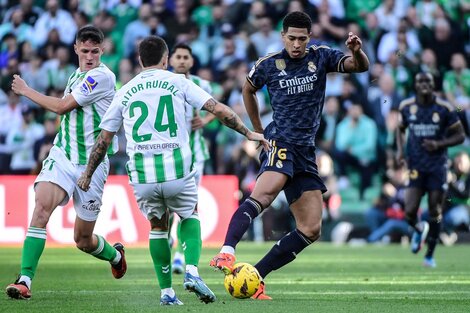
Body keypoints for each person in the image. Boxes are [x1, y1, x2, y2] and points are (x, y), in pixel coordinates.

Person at [76, 35, 269, 305]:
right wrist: (248, 132)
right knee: (190, 214)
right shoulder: (179, 81)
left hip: (142, 175)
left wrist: (87, 174)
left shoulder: (125, 91)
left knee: (158, 227)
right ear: (166, 59)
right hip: (176, 170)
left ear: (140, 60)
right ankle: (191, 271)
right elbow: (219, 110)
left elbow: (103, 140)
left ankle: (166, 292)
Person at [209, 11, 369, 299]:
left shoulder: (321, 56)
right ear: (283, 36)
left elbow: (359, 68)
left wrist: (357, 52)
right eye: (292, 38)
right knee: (264, 196)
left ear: (309, 38)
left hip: (306, 151)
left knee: (311, 229)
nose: (297, 44)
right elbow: (248, 89)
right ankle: (226, 252)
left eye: (302, 39)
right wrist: (259, 131)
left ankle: (256, 276)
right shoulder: (268, 65)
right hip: (280, 141)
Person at [6, 25, 127, 300]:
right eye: (84, 51)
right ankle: (25, 279)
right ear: (75, 49)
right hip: (63, 155)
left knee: (83, 240)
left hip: (91, 165)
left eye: (95, 51)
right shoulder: (76, 74)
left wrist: (26, 90)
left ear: (103, 50)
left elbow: (62, 107)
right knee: (40, 210)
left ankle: (115, 256)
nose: (90, 56)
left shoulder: (102, 77)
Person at [396, 72, 466, 268]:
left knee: (435, 209)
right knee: (409, 211)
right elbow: (400, 128)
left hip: (437, 166)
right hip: (416, 165)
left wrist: (439, 143)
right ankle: (419, 229)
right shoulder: (406, 107)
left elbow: (460, 136)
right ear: (415, 86)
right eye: (420, 81)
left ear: (433, 85)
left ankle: (429, 255)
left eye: (428, 81)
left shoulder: (444, 108)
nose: (424, 84)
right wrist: (401, 152)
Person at [168, 42, 216, 274]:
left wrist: (205, 121)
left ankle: (179, 254)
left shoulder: (202, 84)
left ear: (191, 61)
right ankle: (168, 239)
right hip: (169, 154)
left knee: (189, 206)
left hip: (195, 155)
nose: (182, 61)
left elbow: (217, 110)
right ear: (171, 60)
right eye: (178, 56)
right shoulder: (164, 83)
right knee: (167, 208)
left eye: (186, 57)